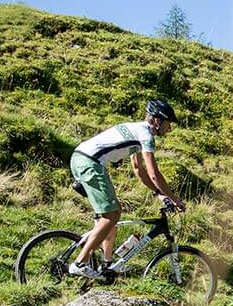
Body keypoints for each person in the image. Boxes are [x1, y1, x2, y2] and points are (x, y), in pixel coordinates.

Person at [67, 100, 185, 279]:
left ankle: (107, 264)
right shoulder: (146, 135)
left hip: (81, 158)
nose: (170, 129)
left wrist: (159, 194)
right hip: (90, 163)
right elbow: (154, 173)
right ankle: (80, 263)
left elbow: (139, 169)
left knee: (110, 215)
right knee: (112, 215)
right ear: (157, 120)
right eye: (168, 123)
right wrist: (174, 198)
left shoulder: (136, 130)